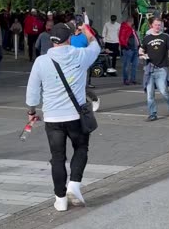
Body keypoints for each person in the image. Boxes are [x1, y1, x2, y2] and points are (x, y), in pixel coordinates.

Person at [25, 23, 100, 212]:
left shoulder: (41, 61)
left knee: (57, 157)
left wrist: (32, 111)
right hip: (76, 115)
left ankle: (60, 198)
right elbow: (96, 47)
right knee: (81, 148)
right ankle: (74, 185)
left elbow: (33, 90)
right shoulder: (80, 55)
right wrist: (87, 32)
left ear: (52, 40)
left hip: (52, 117)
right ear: (69, 39)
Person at [140, 17, 169, 121]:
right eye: (156, 24)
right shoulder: (147, 38)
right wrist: (142, 55)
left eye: (159, 25)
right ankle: (152, 114)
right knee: (150, 94)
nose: (158, 26)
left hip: (162, 69)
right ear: (151, 25)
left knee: (163, 91)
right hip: (150, 69)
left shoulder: (165, 37)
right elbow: (141, 50)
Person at [119, 17, 140, 85]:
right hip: (129, 49)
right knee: (127, 65)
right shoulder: (125, 28)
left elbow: (135, 37)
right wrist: (126, 46)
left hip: (134, 48)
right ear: (130, 22)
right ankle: (126, 79)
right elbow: (121, 38)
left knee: (134, 65)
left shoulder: (130, 28)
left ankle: (132, 79)